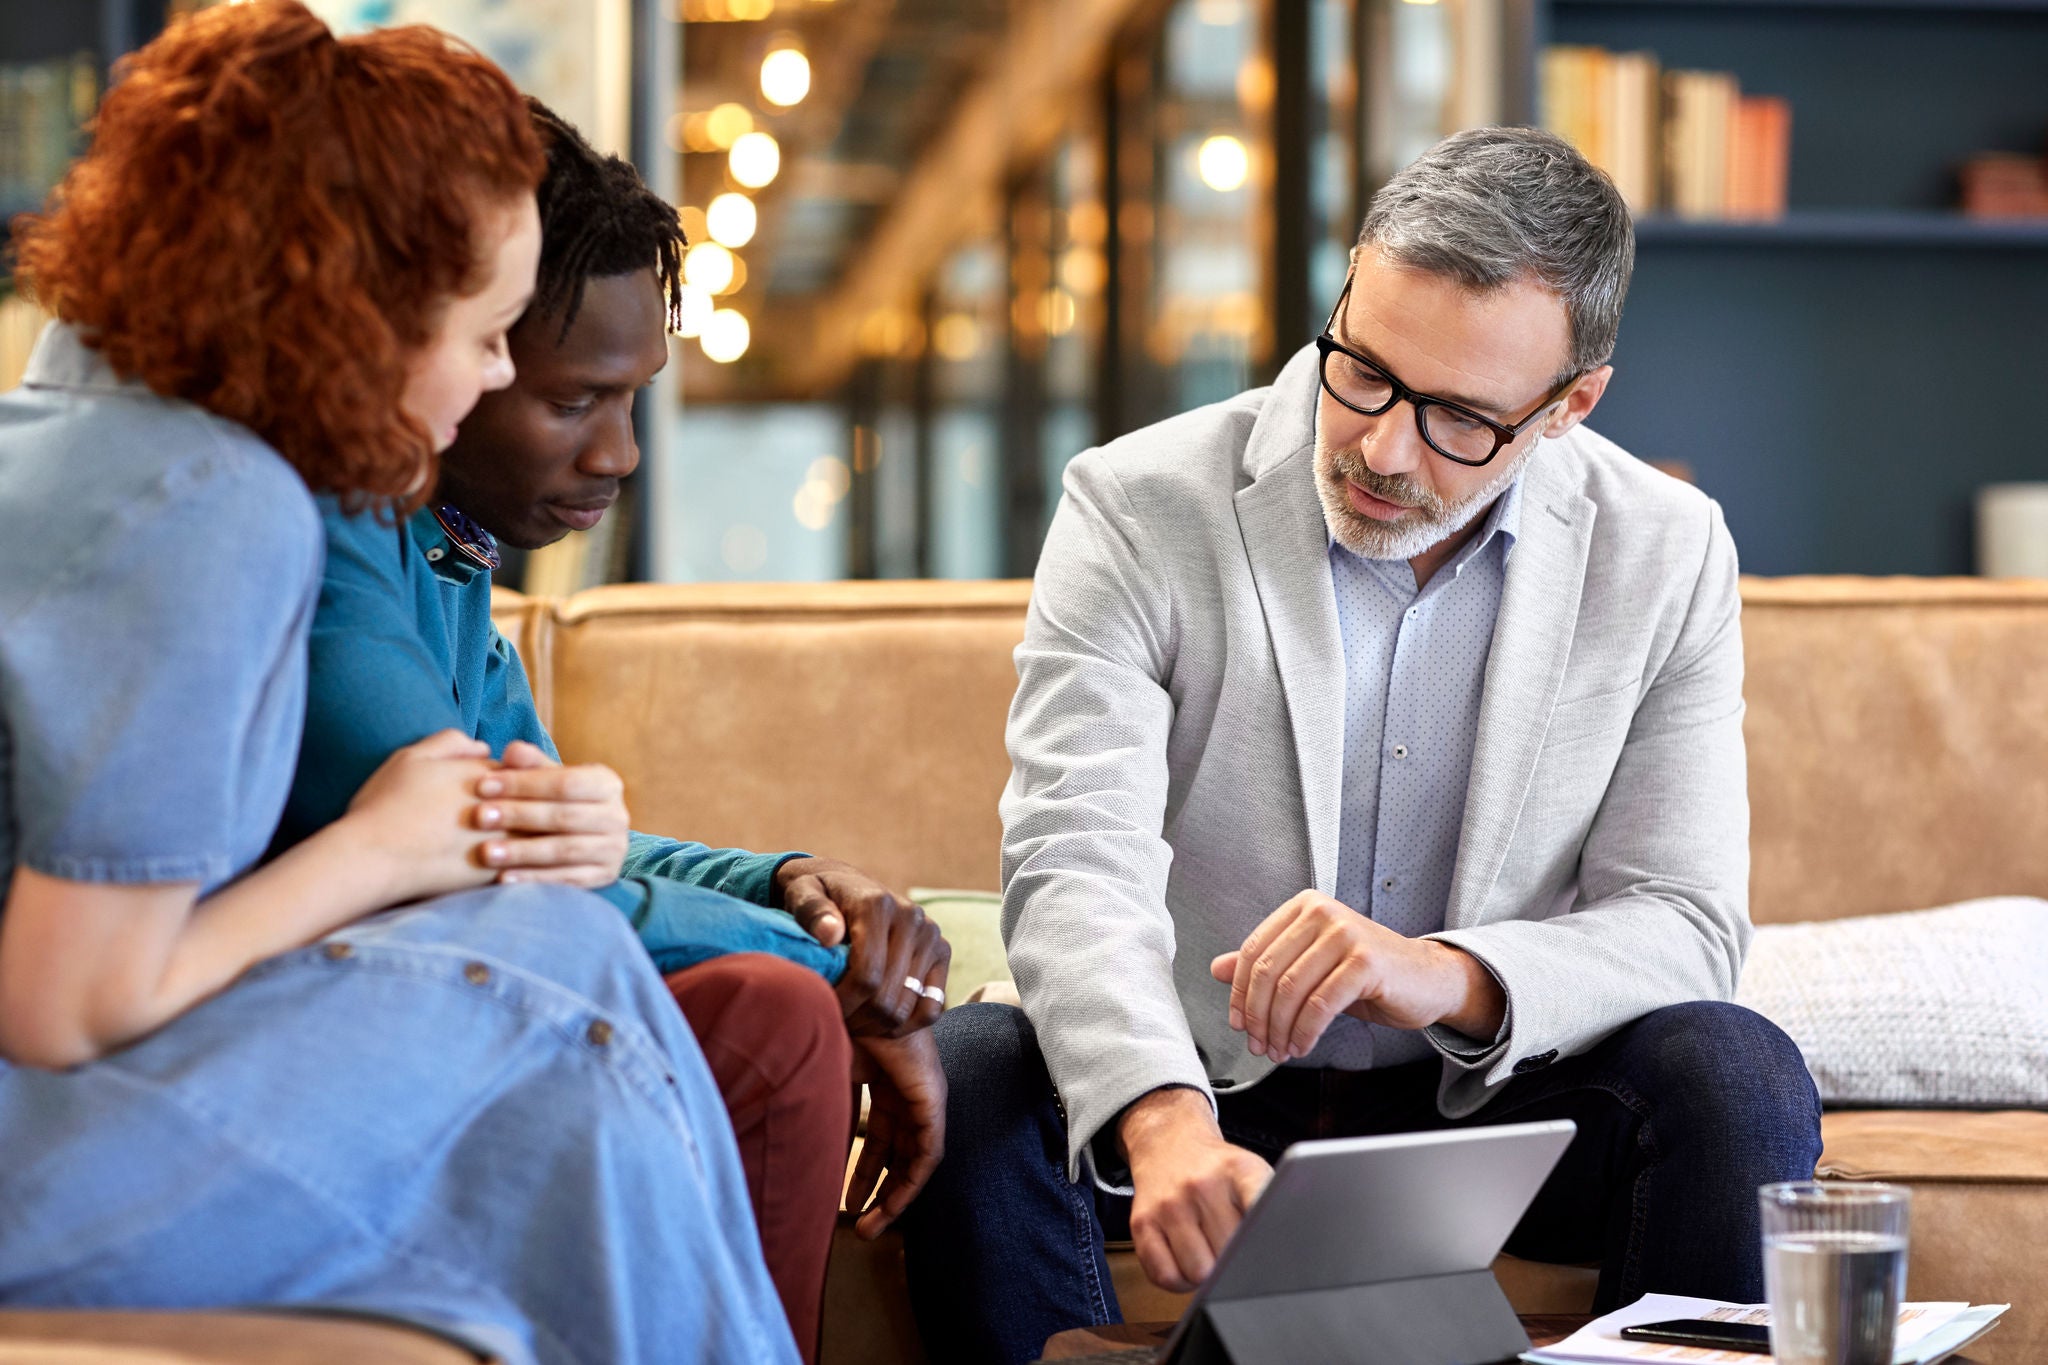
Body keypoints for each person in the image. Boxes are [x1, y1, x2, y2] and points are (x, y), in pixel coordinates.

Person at [898, 126, 1823, 1364]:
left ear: (1568, 405)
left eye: (1457, 420)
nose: (1382, 450)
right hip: (1211, 1087)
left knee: (1734, 1066)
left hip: (1495, 1106)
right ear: (1342, 298)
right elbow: (1074, 862)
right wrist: (1161, 1119)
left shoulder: (1664, 548)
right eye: (1364, 372)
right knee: (974, 1068)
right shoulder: (1134, 505)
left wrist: (1434, 971)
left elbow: (1685, 919)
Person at [0, 6, 801, 1363]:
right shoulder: (217, 502)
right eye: (488, 332)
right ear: (359, 307)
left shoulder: (70, 423)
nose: (496, 371)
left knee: (566, 982)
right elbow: (64, 1000)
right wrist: (382, 846)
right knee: (567, 971)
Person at [275, 101, 948, 1361]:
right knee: (771, 1015)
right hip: (297, 1049)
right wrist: (840, 975)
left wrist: (790, 889)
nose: (623, 452)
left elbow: (571, 852)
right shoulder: (324, 540)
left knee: (769, 996)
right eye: (573, 396)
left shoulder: (447, 548)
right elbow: (489, 881)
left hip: (413, 1008)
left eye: (635, 396)